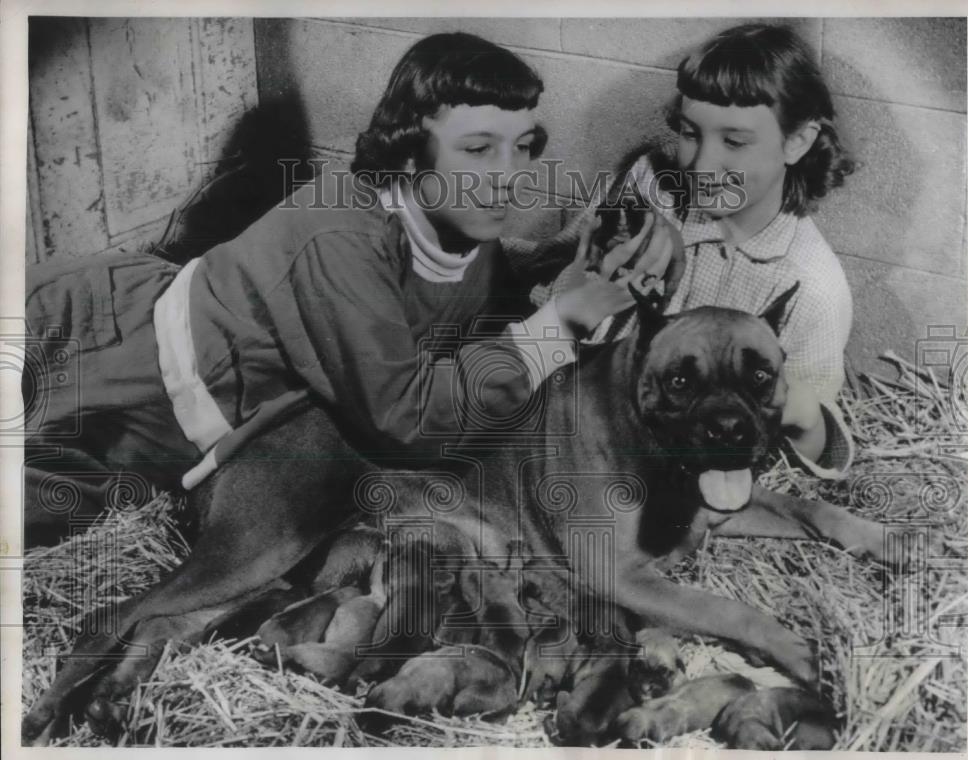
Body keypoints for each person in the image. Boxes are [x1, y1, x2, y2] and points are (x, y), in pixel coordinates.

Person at [22, 32, 671, 548]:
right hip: (104, 351)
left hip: (176, 382)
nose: (509, 176)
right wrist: (556, 324)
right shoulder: (340, 239)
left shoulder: (456, 219)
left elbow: (475, 283)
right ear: (411, 157)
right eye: (477, 150)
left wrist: (571, 252)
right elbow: (408, 419)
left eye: (523, 147)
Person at [510, 23, 857, 478]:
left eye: (733, 141)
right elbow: (543, 284)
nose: (701, 164)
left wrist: (800, 412)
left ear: (798, 141)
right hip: (569, 420)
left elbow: (809, 442)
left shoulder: (809, 285)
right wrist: (594, 275)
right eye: (691, 134)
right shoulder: (649, 182)